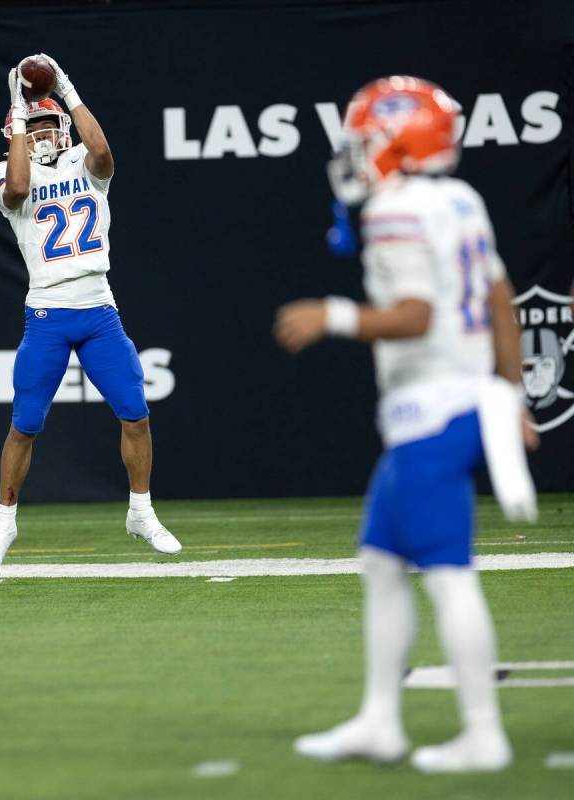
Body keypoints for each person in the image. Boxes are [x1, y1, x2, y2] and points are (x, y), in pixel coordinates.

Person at [274, 76, 538, 773]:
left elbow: (416, 315)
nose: (358, 153)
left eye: (367, 139)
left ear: (397, 139)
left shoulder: (396, 209)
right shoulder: (459, 197)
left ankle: (484, 734)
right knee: (382, 563)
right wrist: (511, 396)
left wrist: (331, 316)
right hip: (457, 402)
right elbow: (499, 296)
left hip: (432, 409)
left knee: (448, 575)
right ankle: (380, 720)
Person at [0, 55, 181, 578]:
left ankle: (141, 512)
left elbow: (105, 151)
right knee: (25, 424)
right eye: (33, 126)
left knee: (135, 411)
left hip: (98, 308)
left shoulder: (83, 166)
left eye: (50, 125)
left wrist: (66, 89)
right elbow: (20, 190)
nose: (44, 135)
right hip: (47, 311)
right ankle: (4, 523)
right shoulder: (3, 171)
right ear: (15, 132)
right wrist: (21, 114)